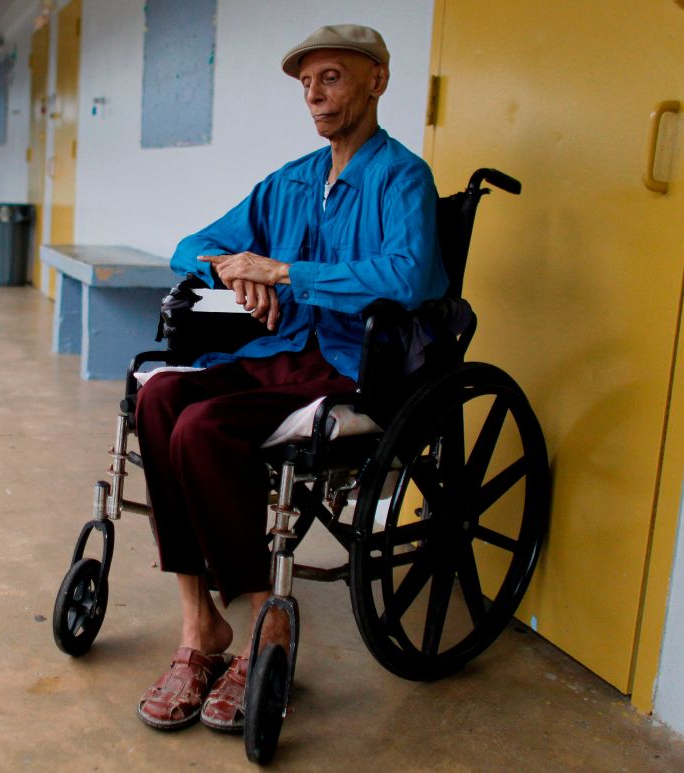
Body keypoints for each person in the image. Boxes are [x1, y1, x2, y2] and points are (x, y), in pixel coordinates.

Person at [133, 24, 448, 733]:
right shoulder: (294, 180)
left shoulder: (404, 179)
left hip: (354, 366)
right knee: (158, 396)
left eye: (331, 77)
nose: (315, 94)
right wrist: (232, 268)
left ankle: (263, 629)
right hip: (278, 354)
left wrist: (284, 271)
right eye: (306, 82)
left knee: (203, 427)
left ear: (377, 80)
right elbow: (193, 243)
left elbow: (405, 275)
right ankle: (198, 624)